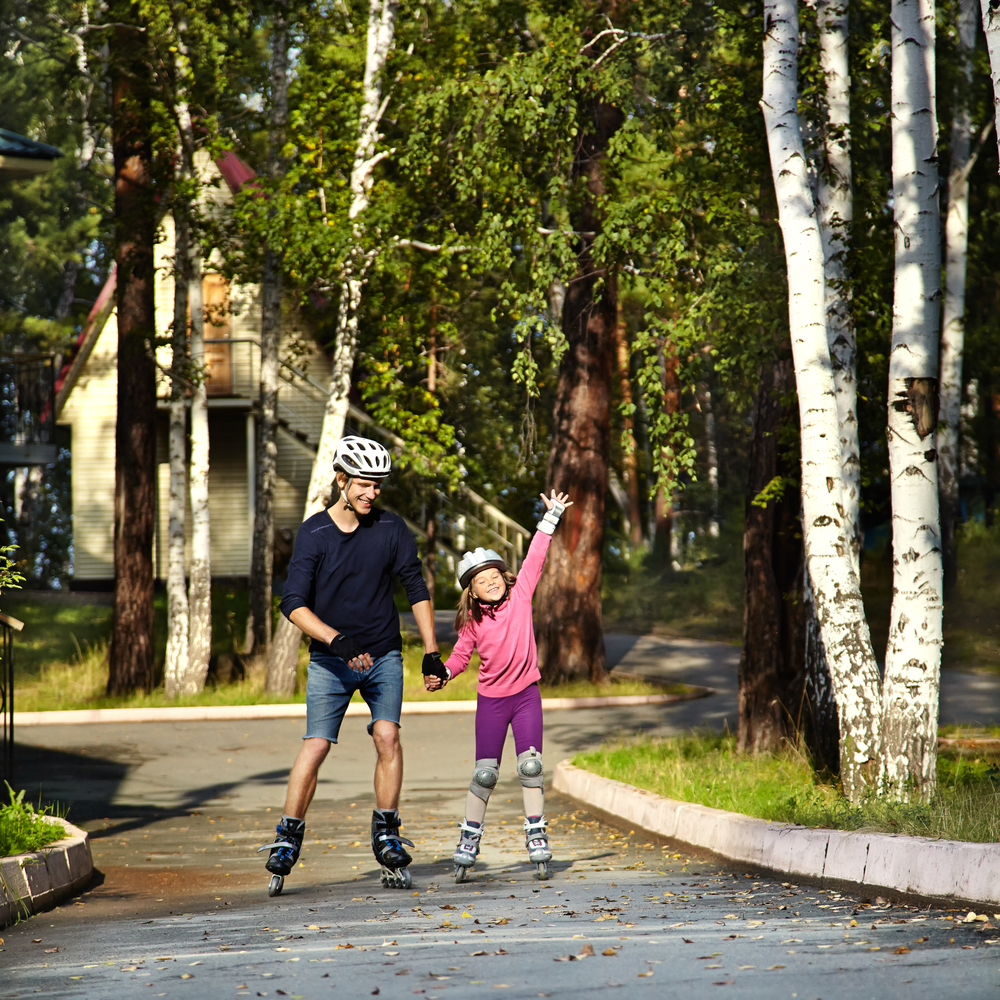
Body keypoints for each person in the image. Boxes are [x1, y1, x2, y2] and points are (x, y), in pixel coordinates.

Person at [257, 435, 444, 893]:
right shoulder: (314, 532)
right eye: (364, 483)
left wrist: (432, 652)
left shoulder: (392, 529)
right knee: (317, 745)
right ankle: (287, 837)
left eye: (378, 485)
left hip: (383, 653)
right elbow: (293, 603)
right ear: (341, 479)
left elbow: (416, 589)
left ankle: (386, 834)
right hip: (330, 659)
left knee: (387, 735)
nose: (372, 493)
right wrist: (336, 640)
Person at [426, 489, 571, 881]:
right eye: (481, 580)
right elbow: (459, 656)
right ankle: (469, 839)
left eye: (494, 576)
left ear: (504, 579)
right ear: (470, 591)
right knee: (485, 774)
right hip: (491, 701)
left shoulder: (521, 595)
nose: (490, 582)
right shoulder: (473, 622)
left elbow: (536, 556)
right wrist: (445, 674)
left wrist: (551, 516)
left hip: (526, 696)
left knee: (531, 767)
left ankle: (536, 834)